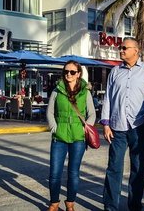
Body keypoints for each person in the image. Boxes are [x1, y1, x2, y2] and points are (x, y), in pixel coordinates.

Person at [101, 37, 144, 211]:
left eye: (124, 47)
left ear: (136, 50)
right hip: (117, 127)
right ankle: (110, 207)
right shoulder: (115, 71)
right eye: (120, 47)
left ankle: (134, 205)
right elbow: (108, 97)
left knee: (138, 169)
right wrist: (106, 124)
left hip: (140, 127)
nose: (120, 50)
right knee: (114, 168)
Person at [46, 61, 96, 211]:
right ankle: (54, 203)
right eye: (66, 71)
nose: (68, 74)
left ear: (78, 74)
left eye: (72, 72)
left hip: (78, 137)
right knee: (54, 173)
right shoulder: (57, 90)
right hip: (59, 137)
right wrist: (54, 127)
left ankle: (70, 203)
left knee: (73, 173)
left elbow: (92, 113)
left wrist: (85, 128)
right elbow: (50, 111)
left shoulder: (85, 92)